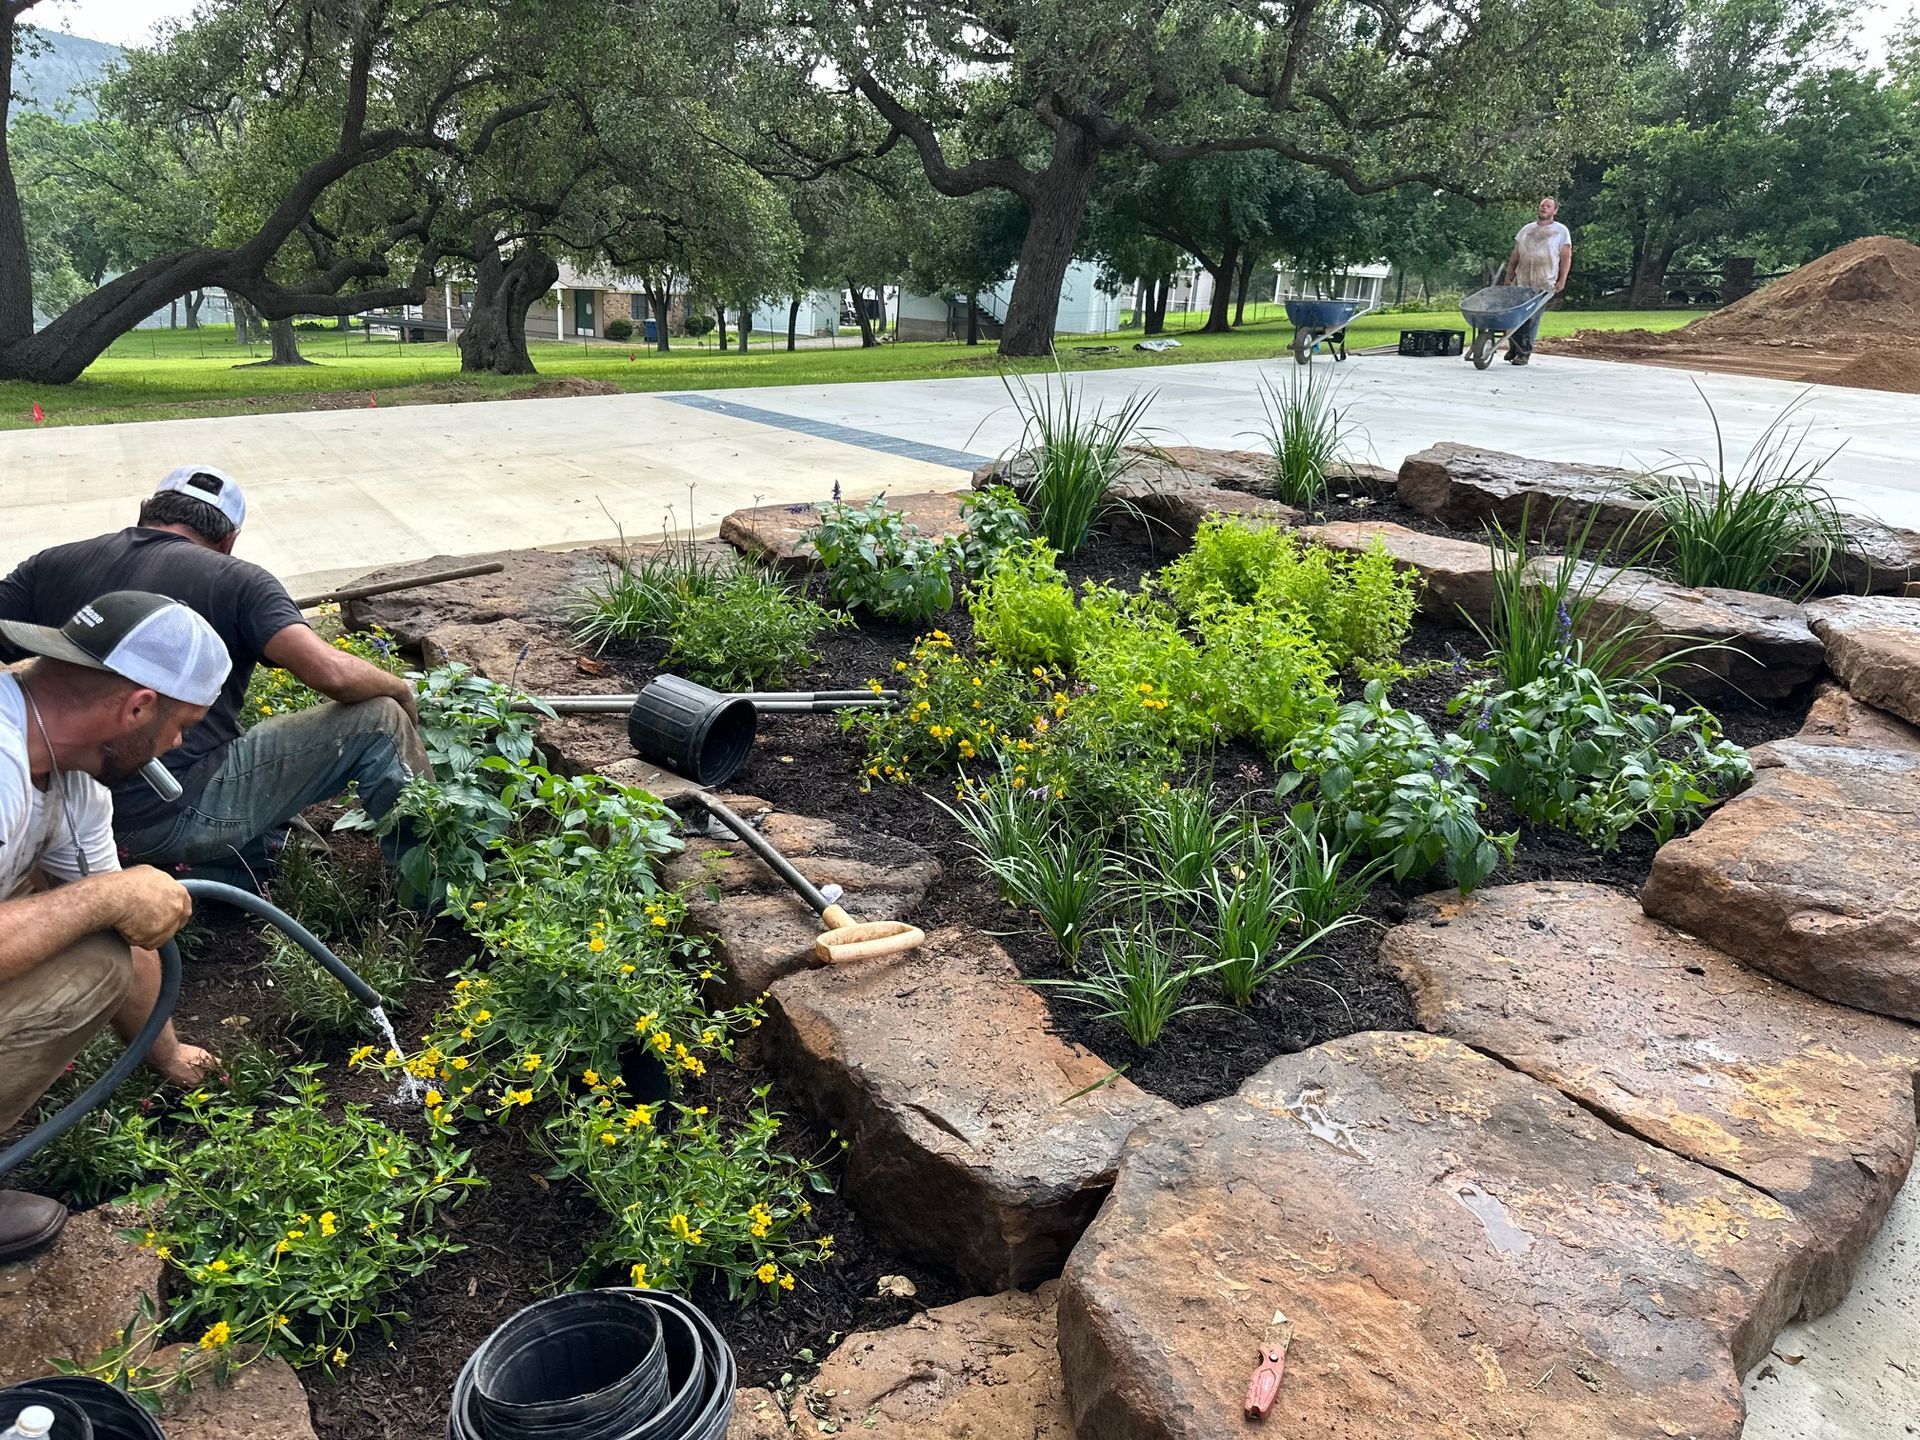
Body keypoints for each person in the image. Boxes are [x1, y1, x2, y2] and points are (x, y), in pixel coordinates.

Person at [0, 466, 428, 887]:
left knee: (234, 743)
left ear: (145, 511)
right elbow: (331, 673)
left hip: (65, 806)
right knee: (379, 719)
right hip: (162, 809)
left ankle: (230, 862)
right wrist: (398, 687)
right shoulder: (241, 580)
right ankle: (433, 886)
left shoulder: (54, 562)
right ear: (228, 540)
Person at [0, 592, 230, 1260]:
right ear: (137, 707)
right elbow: (103, 909)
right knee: (90, 949)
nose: (178, 744)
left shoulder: (70, 781)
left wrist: (167, 1055)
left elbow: (130, 925)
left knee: (103, 942)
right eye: (181, 725)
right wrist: (98, 901)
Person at [1503, 196, 1573, 365]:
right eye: (1542, 205)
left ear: (1554, 211)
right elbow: (1516, 255)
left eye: (1548, 206)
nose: (1544, 208)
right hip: (1523, 280)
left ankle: (1524, 353)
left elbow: (1566, 257)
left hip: (1544, 282)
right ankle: (1515, 347)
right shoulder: (1526, 230)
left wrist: (1562, 280)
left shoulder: (1560, 231)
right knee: (1517, 316)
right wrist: (1509, 276)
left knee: (1531, 318)